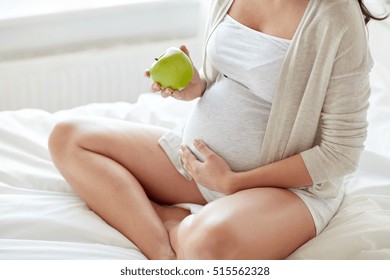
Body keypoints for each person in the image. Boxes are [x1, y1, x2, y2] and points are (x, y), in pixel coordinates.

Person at [48, 0, 387, 260]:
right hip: (195, 161)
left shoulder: (335, 18)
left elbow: (341, 153)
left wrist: (232, 181)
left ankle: (174, 224)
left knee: (206, 247)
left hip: (283, 189)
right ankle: (162, 246)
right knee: (67, 137)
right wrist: (197, 85)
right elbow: (232, 79)